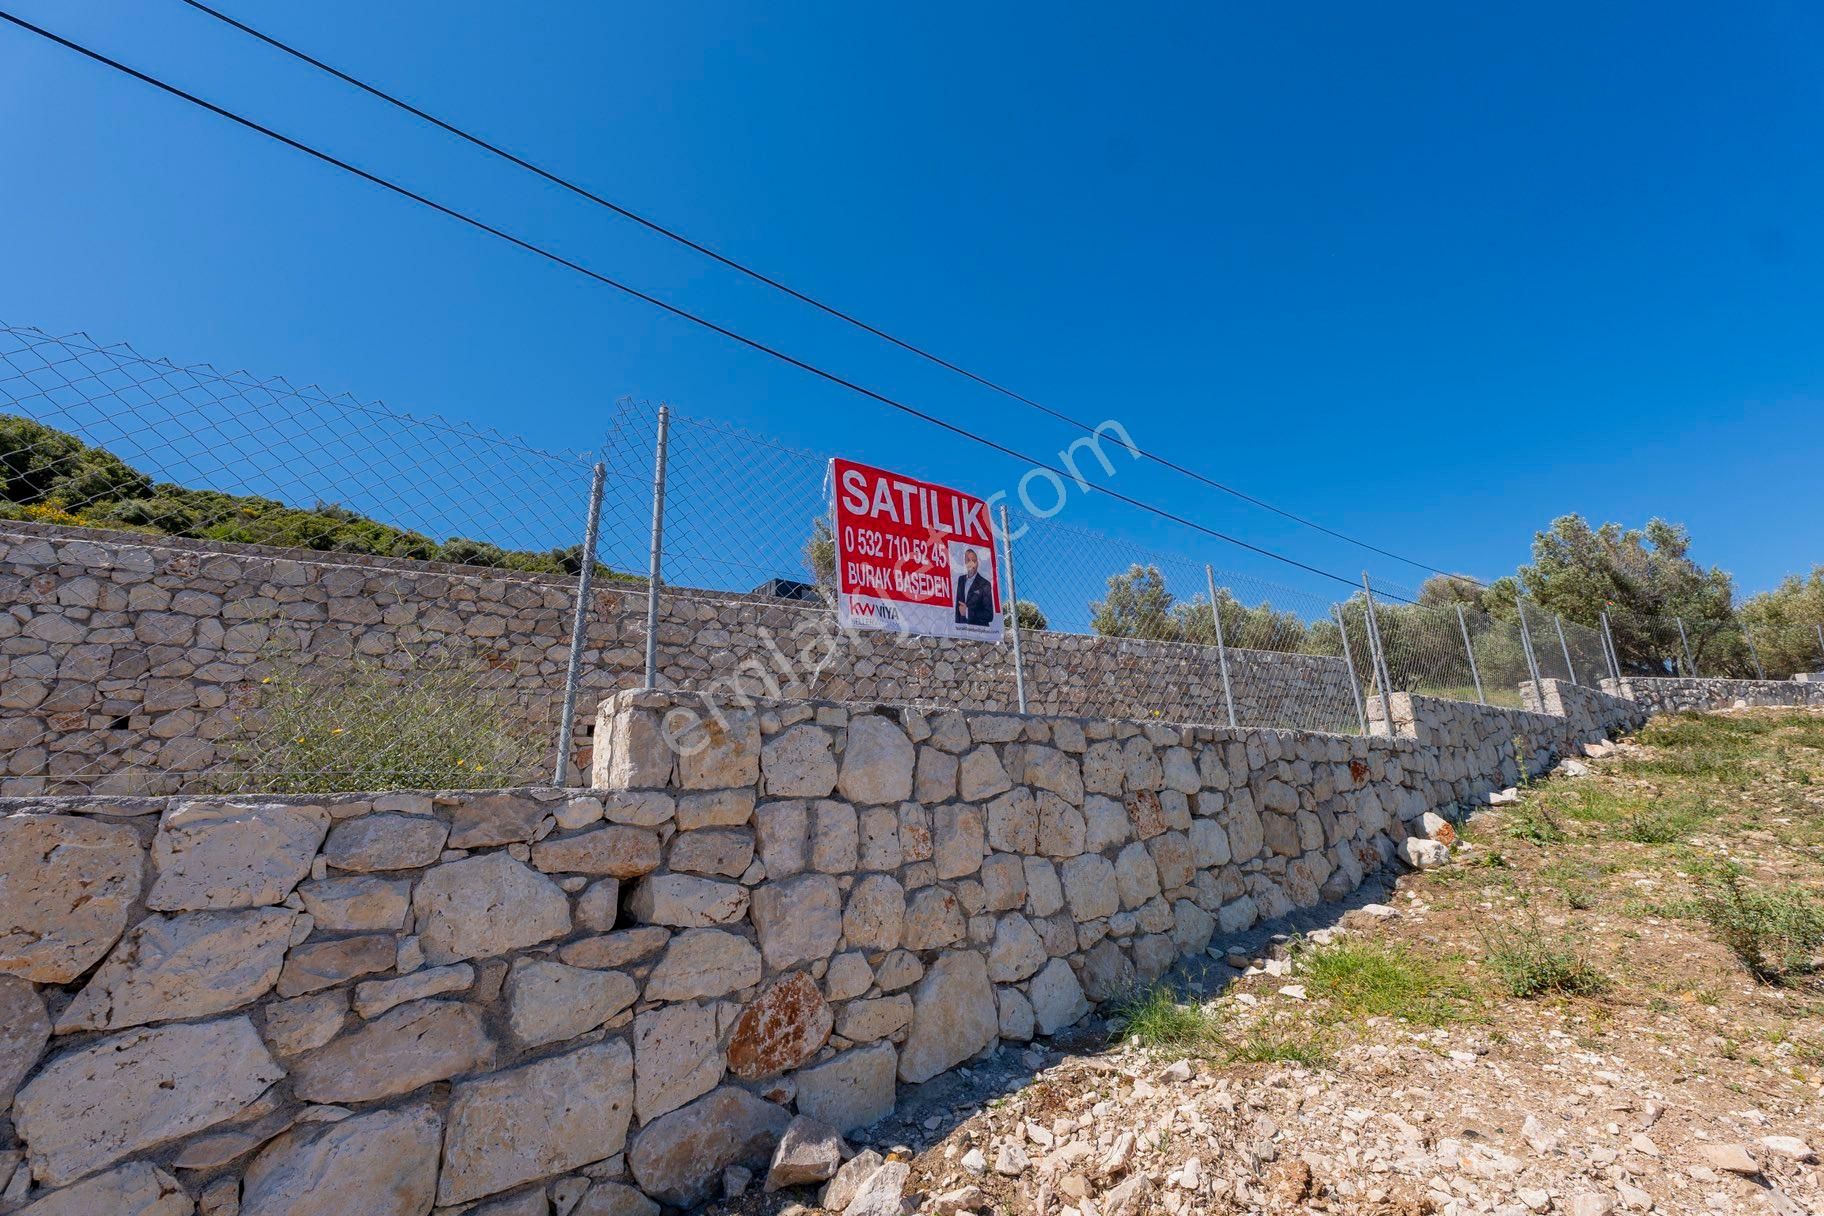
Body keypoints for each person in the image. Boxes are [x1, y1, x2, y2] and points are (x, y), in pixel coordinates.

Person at [954, 548, 994, 626]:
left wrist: (968, 612)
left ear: (977, 563)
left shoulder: (985, 584)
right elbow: (958, 609)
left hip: (979, 630)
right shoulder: (961, 580)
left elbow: (989, 615)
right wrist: (957, 627)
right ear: (965, 562)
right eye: (968, 560)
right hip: (962, 629)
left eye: (974, 561)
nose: (971, 563)